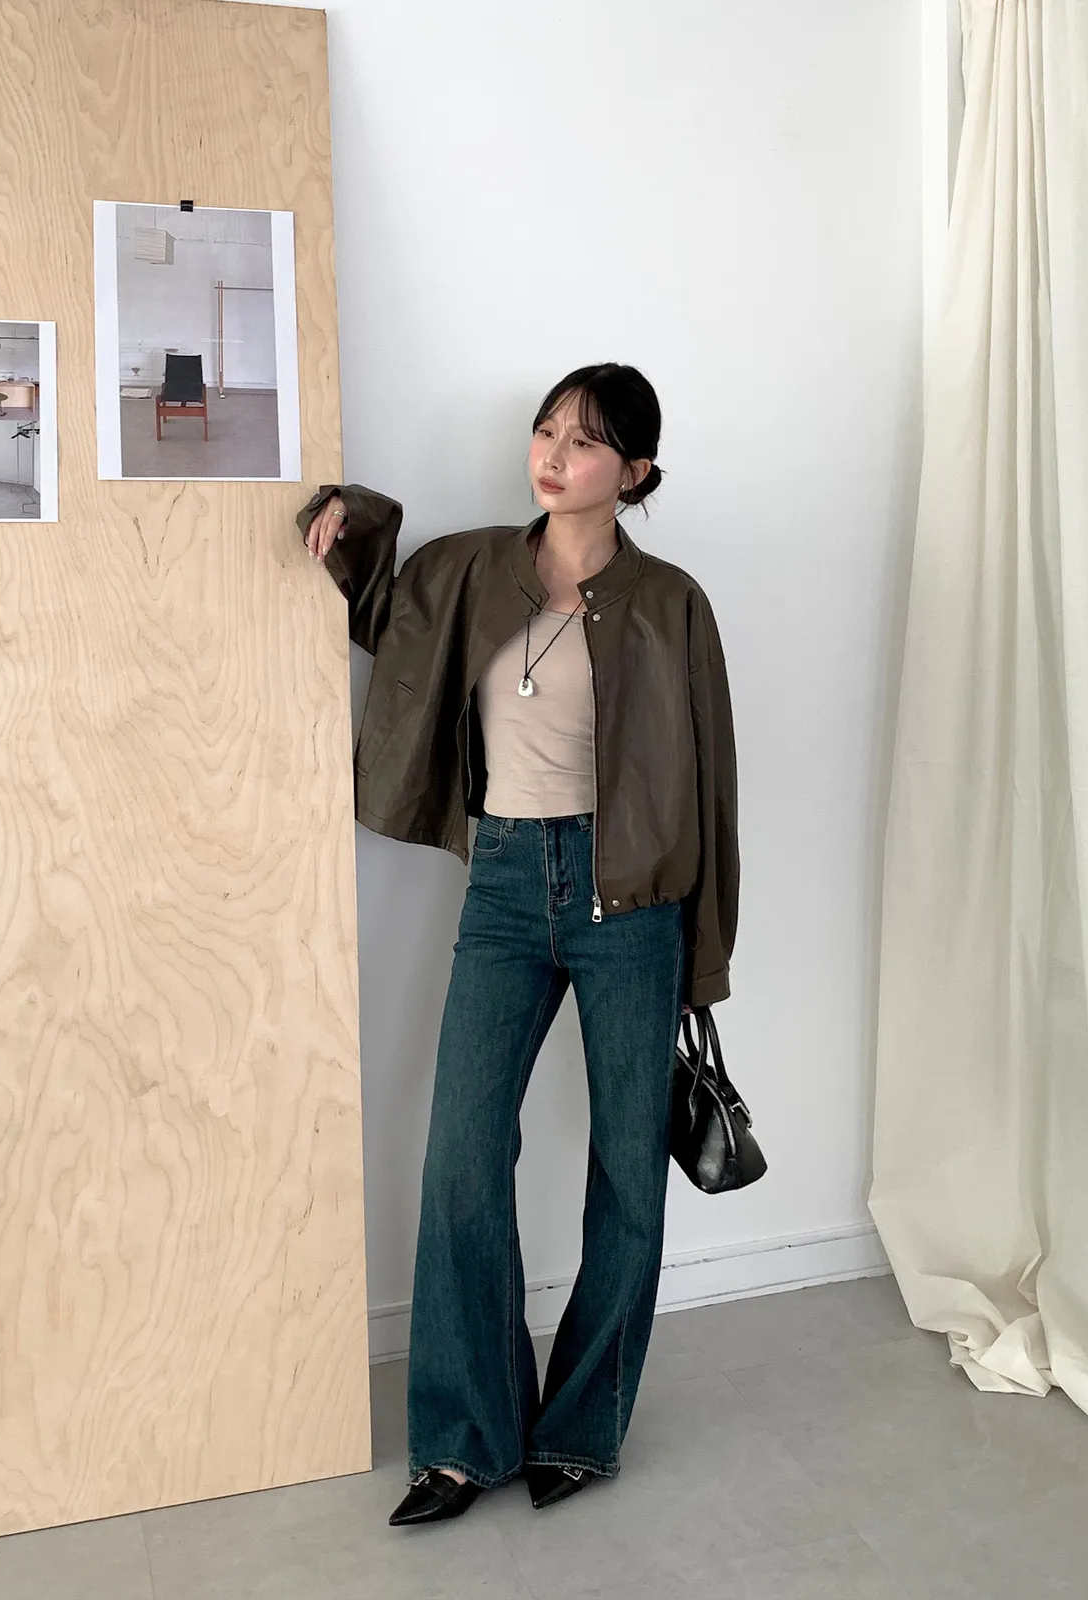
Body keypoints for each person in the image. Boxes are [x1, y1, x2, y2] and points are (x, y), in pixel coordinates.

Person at [297, 362, 739, 1528]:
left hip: (631, 899)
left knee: (627, 1173)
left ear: (634, 471)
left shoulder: (671, 603)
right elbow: (390, 623)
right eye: (547, 430)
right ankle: (465, 1438)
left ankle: (581, 1427)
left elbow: (711, 788)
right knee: (461, 1155)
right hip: (502, 880)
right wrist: (352, 522)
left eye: (585, 441)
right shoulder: (467, 568)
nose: (553, 454)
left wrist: (703, 957)